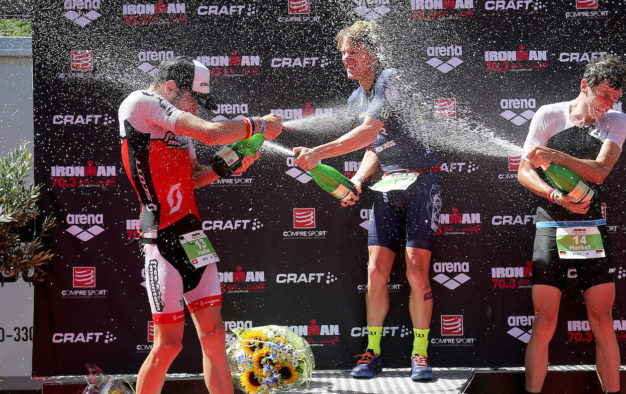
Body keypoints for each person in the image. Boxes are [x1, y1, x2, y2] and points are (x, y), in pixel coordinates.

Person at [118, 56, 282, 394]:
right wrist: (259, 125)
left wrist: (232, 164)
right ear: (171, 88)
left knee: (214, 337)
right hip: (160, 240)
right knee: (169, 345)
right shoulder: (141, 103)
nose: (196, 107)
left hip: (193, 236)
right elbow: (212, 133)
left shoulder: (180, 128)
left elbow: (193, 179)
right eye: (193, 98)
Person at [293, 21, 442, 381]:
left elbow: (368, 132)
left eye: (354, 51)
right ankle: (372, 352)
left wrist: (319, 154)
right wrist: (358, 179)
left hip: (423, 182)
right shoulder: (355, 98)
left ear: (373, 54)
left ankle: (420, 355)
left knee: (415, 270)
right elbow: (376, 147)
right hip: (387, 185)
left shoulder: (391, 78)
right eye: (343, 52)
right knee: (376, 271)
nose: (347, 58)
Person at [517, 54, 626, 394]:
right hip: (552, 224)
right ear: (585, 86)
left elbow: (599, 171)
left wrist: (554, 156)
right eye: (603, 95)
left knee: (602, 321)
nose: (608, 104)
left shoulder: (617, 121)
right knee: (544, 320)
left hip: (591, 225)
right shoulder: (549, 115)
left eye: (615, 97)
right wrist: (555, 196)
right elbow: (524, 171)